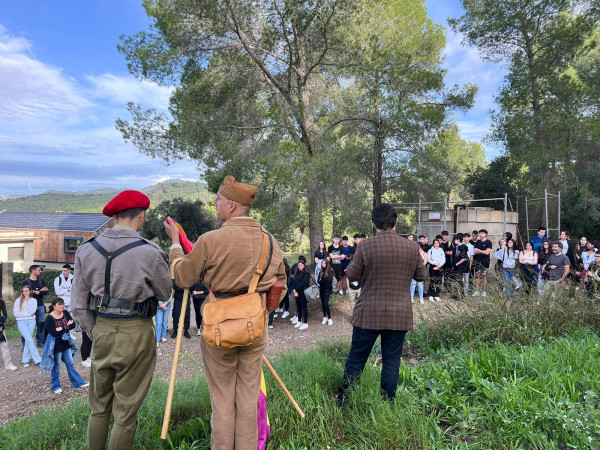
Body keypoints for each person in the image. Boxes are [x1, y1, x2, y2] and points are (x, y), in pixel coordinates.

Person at [165, 176, 286, 449]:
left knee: (222, 402)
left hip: (218, 328)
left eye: (218, 199)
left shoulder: (210, 240)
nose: (214, 203)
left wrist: (175, 244)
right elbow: (281, 285)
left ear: (232, 205)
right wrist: (260, 312)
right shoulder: (270, 241)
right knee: (246, 401)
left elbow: (183, 277)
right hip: (256, 327)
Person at [71, 189, 172, 450]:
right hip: (137, 331)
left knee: (99, 408)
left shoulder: (86, 249)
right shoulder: (149, 252)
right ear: (141, 215)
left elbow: (79, 306)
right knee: (125, 414)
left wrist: (97, 331)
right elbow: (165, 292)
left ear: (115, 216)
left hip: (101, 330)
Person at [335, 203, 428, 402]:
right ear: (395, 223)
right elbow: (422, 277)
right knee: (392, 361)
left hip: (368, 313)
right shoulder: (412, 247)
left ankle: (345, 399)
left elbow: (351, 274)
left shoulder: (365, 246)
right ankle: (387, 403)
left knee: (357, 359)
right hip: (399, 314)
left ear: (374, 224)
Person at [43, 298, 87, 394]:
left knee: (70, 363)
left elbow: (73, 325)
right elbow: (54, 332)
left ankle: (78, 383)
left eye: (62, 304)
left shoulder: (66, 313)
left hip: (66, 342)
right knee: (56, 365)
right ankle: (55, 386)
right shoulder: (50, 318)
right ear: (54, 306)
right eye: (59, 304)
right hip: (55, 344)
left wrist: (61, 328)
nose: (62, 306)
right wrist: (66, 326)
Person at [13, 285, 41, 367]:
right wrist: (28, 314)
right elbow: (16, 313)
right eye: (24, 291)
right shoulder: (18, 301)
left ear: (30, 291)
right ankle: (38, 359)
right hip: (21, 322)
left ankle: (25, 360)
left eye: (27, 291)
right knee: (30, 340)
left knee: (28, 340)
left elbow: (33, 310)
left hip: (31, 321)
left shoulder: (33, 300)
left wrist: (28, 301)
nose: (25, 292)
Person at [22, 265, 48, 347]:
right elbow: (25, 292)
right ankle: (25, 343)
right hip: (28, 307)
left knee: (40, 324)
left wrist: (34, 291)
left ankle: (40, 342)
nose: (40, 271)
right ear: (33, 271)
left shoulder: (42, 281)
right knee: (27, 325)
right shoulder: (25, 282)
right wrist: (39, 291)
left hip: (40, 306)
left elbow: (46, 292)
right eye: (39, 270)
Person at [473, 229, 493, 297]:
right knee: (477, 276)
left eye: (482, 233)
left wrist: (479, 250)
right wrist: (482, 251)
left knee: (484, 276)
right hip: (478, 261)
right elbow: (475, 251)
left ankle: (484, 291)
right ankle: (477, 291)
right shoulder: (478, 242)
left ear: (485, 234)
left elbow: (487, 252)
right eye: (480, 233)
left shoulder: (489, 242)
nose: (480, 234)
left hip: (485, 262)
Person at [291, 261, 310, 330]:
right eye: (299, 265)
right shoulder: (297, 273)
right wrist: (294, 290)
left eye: (301, 265)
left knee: (304, 307)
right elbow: (294, 282)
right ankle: (299, 320)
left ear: (304, 266)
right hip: (297, 292)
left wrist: (296, 289)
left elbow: (303, 283)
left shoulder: (306, 273)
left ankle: (305, 323)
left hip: (303, 292)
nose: (300, 266)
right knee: (298, 307)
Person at [0, 297, 18, 370]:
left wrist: (1, 324)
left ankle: (8, 364)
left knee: (4, 346)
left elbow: (5, 315)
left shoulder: (1, 302)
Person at [452, 234, 470, 299]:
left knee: (459, 280)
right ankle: (456, 294)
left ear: (458, 240)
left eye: (455, 240)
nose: (454, 241)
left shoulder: (462, 247)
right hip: (457, 267)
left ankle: (460, 295)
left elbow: (464, 258)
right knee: (456, 280)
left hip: (460, 267)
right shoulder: (457, 247)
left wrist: (457, 264)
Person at [318, 259, 334, 325]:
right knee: (322, 303)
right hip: (321, 289)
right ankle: (324, 316)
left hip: (328, 290)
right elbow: (318, 281)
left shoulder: (330, 271)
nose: (323, 264)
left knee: (325, 304)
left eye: (324, 263)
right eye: (322, 263)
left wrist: (321, 280)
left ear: (327, 264)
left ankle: (330, 318)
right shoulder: (321, 272)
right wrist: (322, 280)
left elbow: (328, 280)